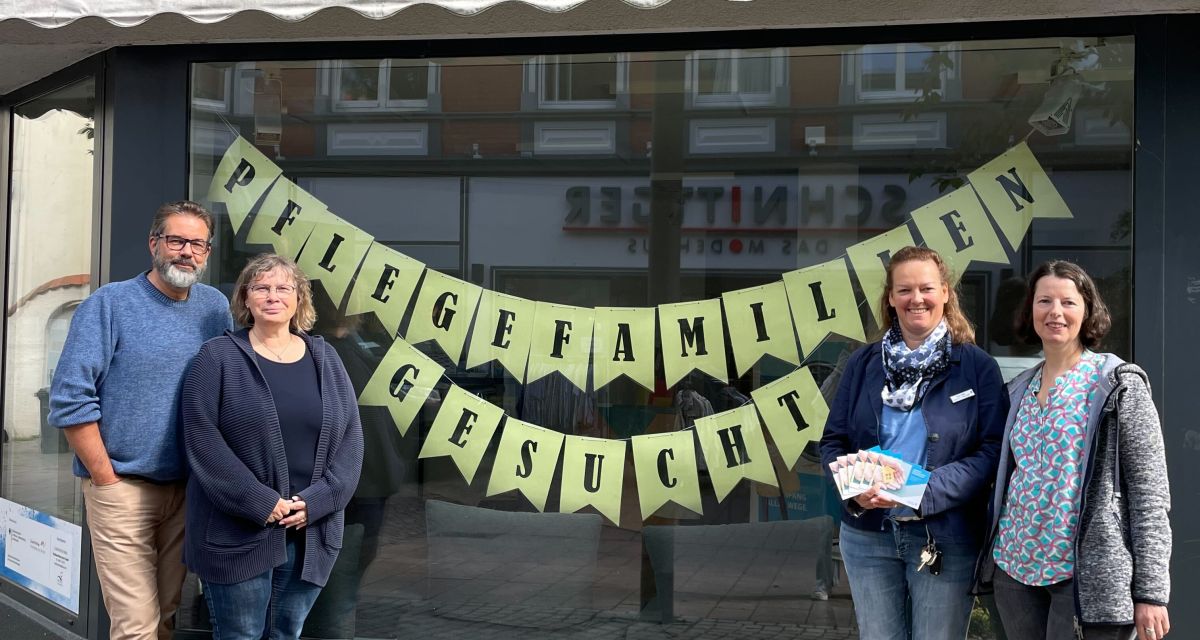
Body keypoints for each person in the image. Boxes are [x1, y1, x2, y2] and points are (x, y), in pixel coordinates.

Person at [48, 200, 232, 640]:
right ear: (154, 244)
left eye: (197, 244)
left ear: (207, 252)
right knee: (136, 627)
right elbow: (70, 398)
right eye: (176, 240)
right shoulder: (110, 303)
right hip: (123, 488)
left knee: (164, 616)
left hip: (187, 491)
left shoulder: (215, 307)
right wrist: (105, 479)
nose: (186, 252)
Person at [819, 245, 1007, 640]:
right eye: (904, 290)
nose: (915, 298)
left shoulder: (977, 367)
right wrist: (854, 492)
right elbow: (833, 441)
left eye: (926, 288)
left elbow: (992, 452)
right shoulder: (862, 364)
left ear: (945, 293)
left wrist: (921, 489)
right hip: (868, 536)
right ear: (890, 298)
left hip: (945, 538)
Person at [975, 261, 1171, 640]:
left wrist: (1151, 592)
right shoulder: (1018, 389)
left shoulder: (1117, 386)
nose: (1055, 312)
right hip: (1015, 571)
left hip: (1086, 576)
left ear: (1087, 310)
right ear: (1030, 311)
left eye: (1068, 302)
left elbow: (1149, 493)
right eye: (1044, 301)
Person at [181, 254, 363, 640]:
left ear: (299, 299)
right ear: (245, 298)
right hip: (236, 532)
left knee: (286, 633)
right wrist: (259, 501)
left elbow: (351, 439)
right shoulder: (216, 357)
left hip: (309, 530)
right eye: (261, 288)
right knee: (241, 635)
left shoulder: (326, 358)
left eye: (283, 288)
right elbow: (202, 439)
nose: (272, 296)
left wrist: (318, 501)